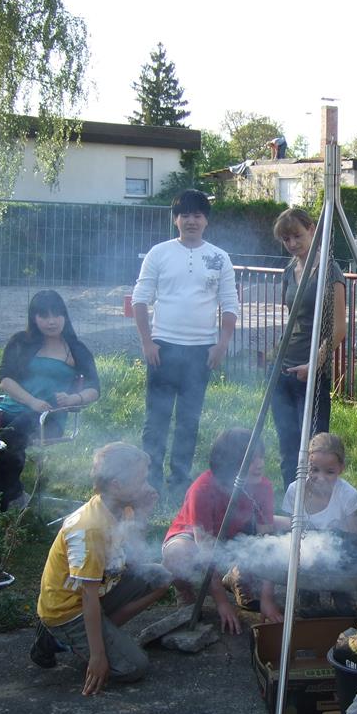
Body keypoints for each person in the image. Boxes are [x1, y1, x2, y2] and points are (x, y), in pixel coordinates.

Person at [31, 442, 171, 696]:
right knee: (134, 667)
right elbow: (88, 596)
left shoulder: (123, 507)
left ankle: (102, 635)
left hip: (102, 587)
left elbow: (135, 553)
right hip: (68, 609)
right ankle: (60, 640)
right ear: (117, 485)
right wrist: (98, 657)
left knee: (160, 577)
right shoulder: (90, 528)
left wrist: (143, 513)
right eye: (141, 480)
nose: (147, 485)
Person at [131, 189, 239, 493]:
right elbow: (140, 299)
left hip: (201, 351)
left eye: (197, 215)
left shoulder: (219, 258)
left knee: (189, 420)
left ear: (206, 220)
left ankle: (179, 480)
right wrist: (147, 342)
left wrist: (221, 343)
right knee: (156, 419)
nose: (191, 221)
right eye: (185, 215)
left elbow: (230, 304)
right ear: (175, 219)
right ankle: (150, 482)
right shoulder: (159, 253)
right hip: (163, 348)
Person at [162, 427, 283, 634]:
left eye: (261, 457)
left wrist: (267, 598)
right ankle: (185, 592)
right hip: (194, 540)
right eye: (251, 459)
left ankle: (239, 577)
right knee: (177, 555)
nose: (260, 464)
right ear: (229, 463)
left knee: (289, 530)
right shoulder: (202, 488)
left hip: (234, 535)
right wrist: (222, 603)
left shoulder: (263, 486)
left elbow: (267, 543)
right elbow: (206, 551)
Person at [0, 290, 100, 509]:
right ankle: (9, 493)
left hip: (48, 417)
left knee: (8, 438)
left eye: (57, 314)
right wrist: (31, 401)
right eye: (44, 315)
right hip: (11, 407)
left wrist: (73, 398)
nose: (51, 321)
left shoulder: (76, 349)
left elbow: (95, 389)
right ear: (34, 318)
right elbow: (5, 379)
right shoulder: (20, 341)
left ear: (65, 316)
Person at [271, 207, 347, 487]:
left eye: (297, 236)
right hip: (283, 367)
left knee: (315, 449)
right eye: (286, 239)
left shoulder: (329, 270)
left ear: (312, 230)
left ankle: (315, 501)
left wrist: (313, 364)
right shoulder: (289, 270)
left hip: (312, 371)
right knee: (287, 444)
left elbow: (339, 329)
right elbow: (293, 317)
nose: (292, 243)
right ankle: (292, 499)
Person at [276, 432, 357, 616]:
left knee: (345, 607)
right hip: (305, 553)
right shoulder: (295, 490)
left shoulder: (347, 495)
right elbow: (289, 529)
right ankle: (307, 592)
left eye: (329, 472)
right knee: (305, 563)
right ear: (306, 465)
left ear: (341, 468)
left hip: (337, 554)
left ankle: (341, 590)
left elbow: (354, 536)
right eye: (314, 470)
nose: (320, 477)